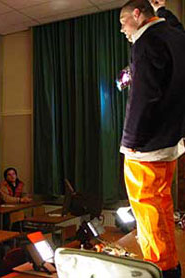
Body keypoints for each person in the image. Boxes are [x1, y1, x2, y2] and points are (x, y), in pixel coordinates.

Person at [119, 0, 185, 277]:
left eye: (123, 21)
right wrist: (163, 11)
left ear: (137, 14)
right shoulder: (175, 36)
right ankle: (170, 264)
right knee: (162, 206)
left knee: (147, 212)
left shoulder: (145, 42)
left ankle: (161, 269)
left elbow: (143, 97)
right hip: (171, 139)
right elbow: (177, 29)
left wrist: (130, 141)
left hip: (147, 145)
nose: (122, 29)